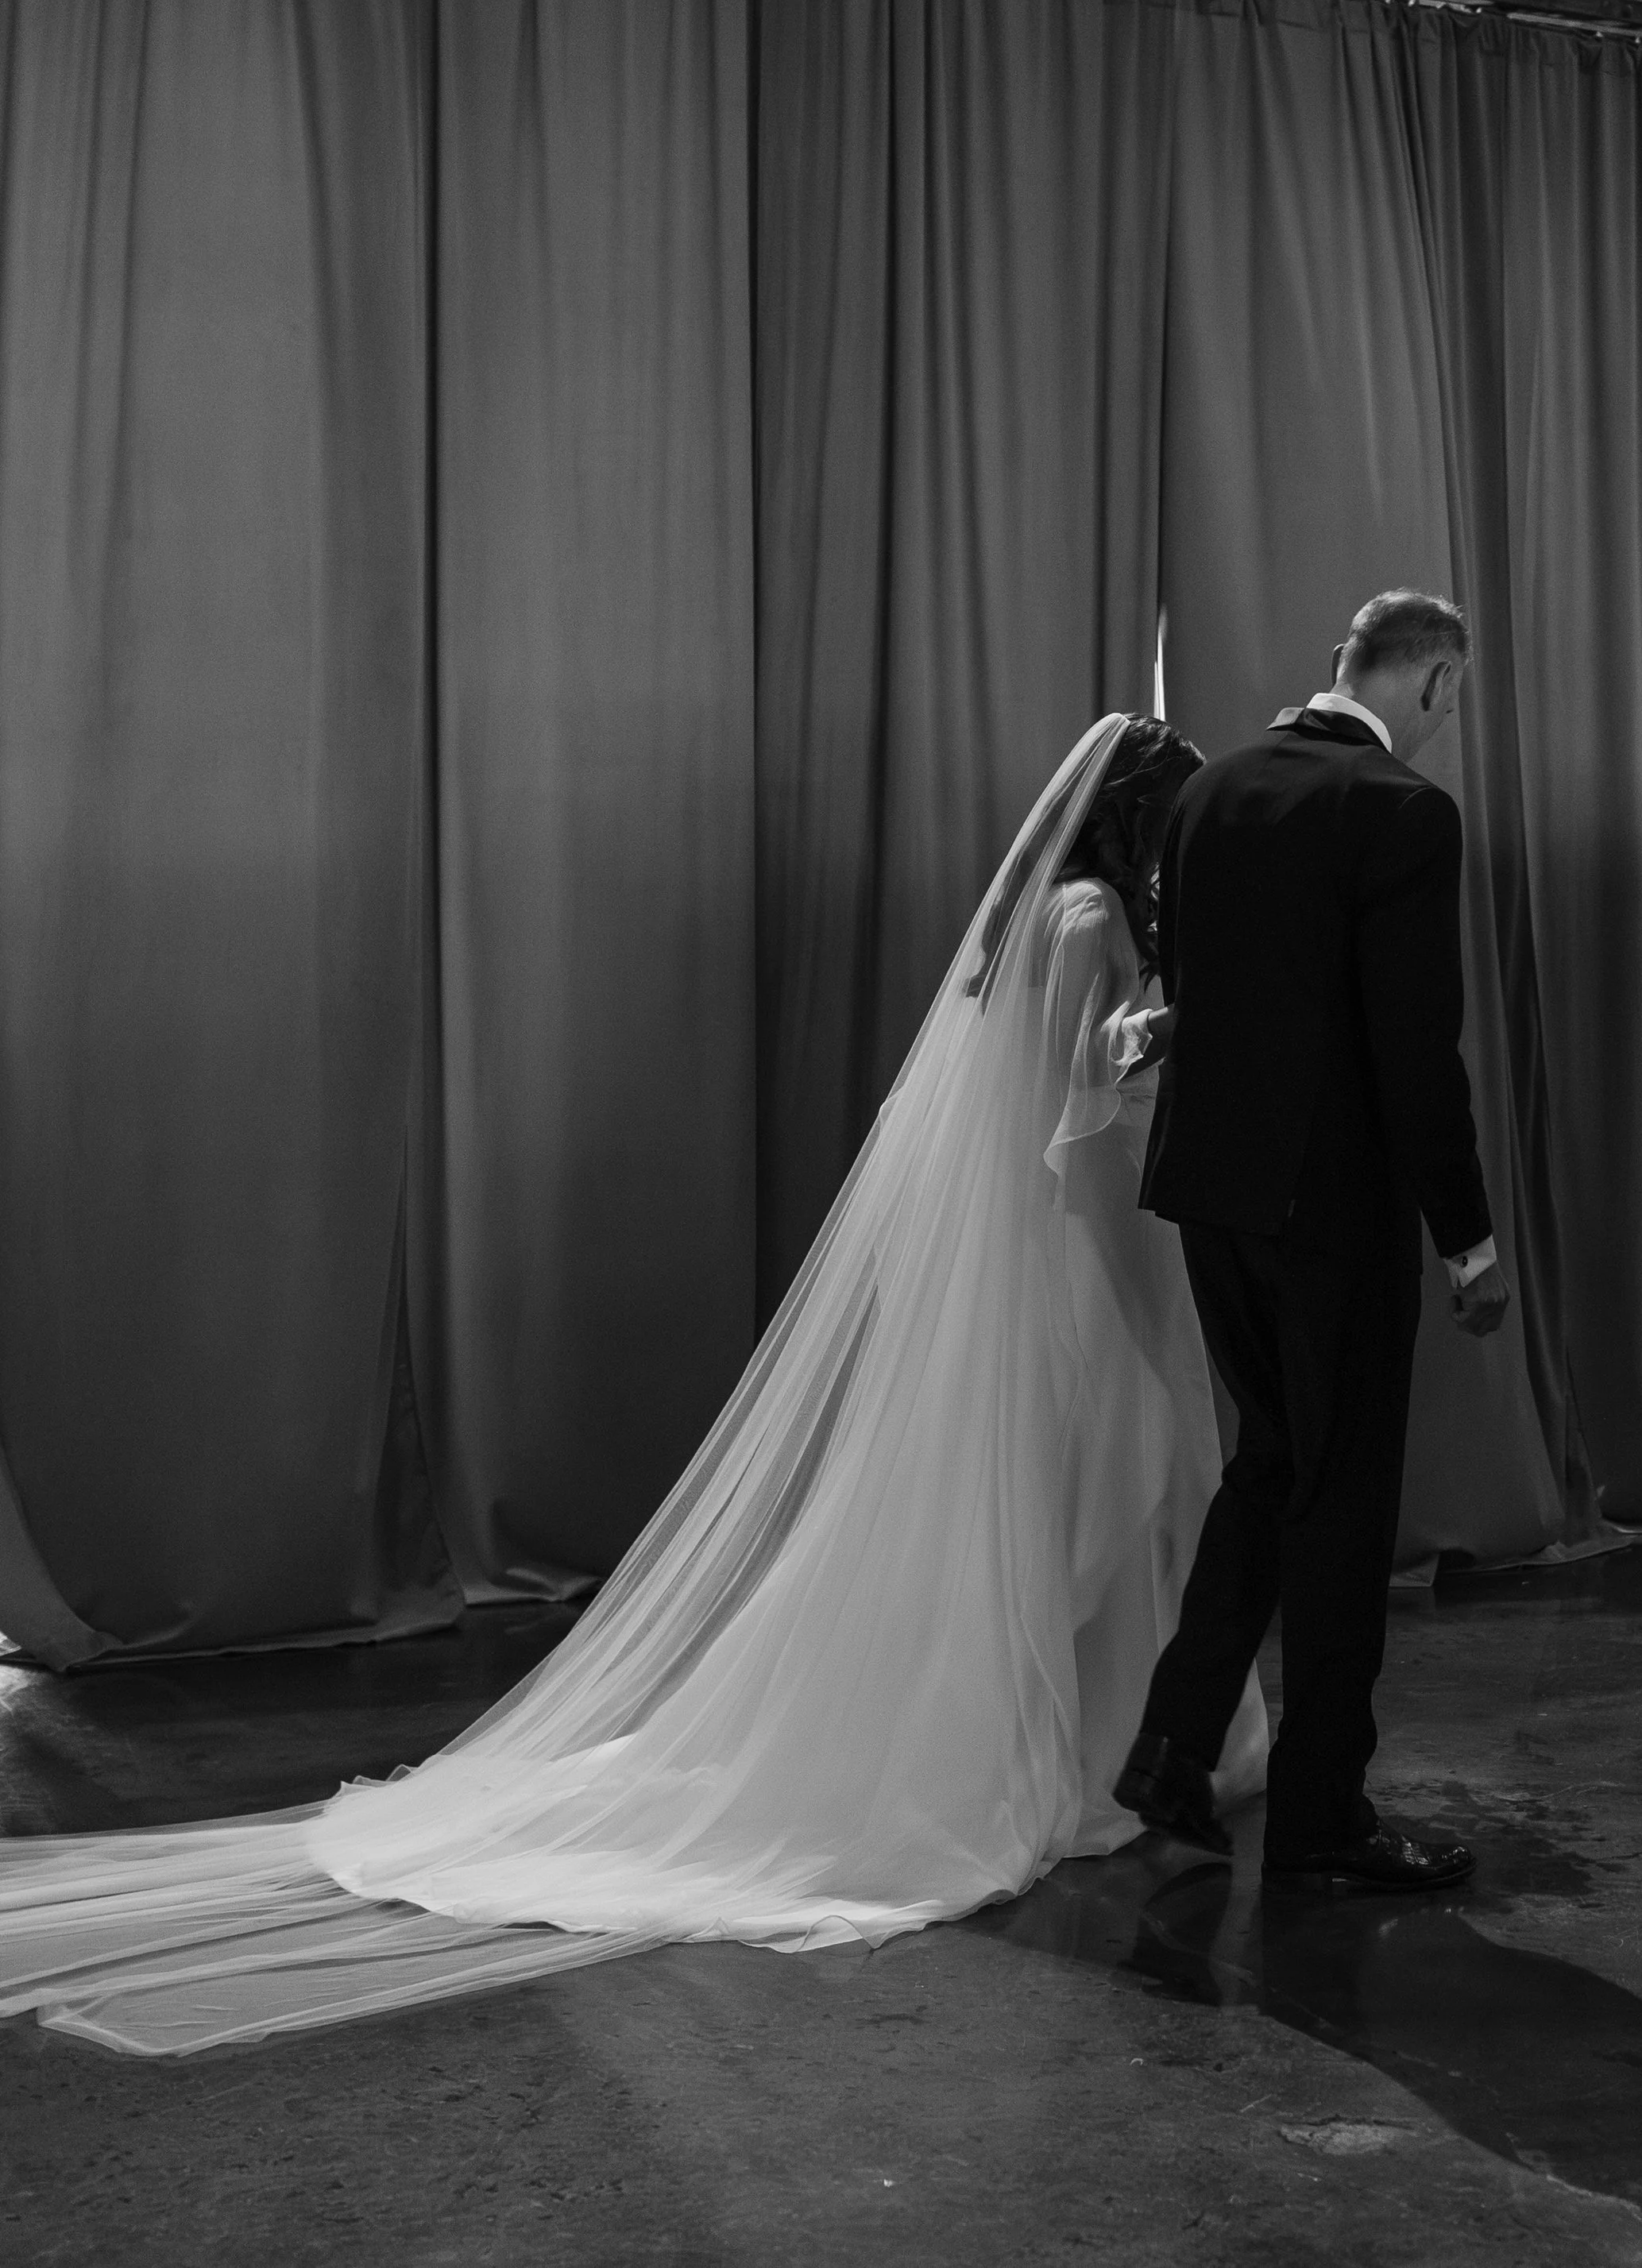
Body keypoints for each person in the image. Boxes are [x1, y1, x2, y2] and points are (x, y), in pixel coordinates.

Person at [0, 715, 1265, 2054]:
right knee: (1099, 1483)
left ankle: (1102, 1735)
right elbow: (1079, 1101)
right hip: (1072, 1241)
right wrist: (1184, 1023)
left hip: (1073, 1235)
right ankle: (1060, 1744)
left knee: (1101, 1485)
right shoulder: (1081, 918)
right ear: (1137, 819)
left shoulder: (1054, 909)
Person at [1114, 590, 1509, 1894]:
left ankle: (1174, 1747)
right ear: (1436, 684)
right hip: (1330, 1212)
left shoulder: (1211, 789)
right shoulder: (1402, 812)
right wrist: (1465, 1234)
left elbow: (1198, 996)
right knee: (1341, 1502)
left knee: (1272, 1465)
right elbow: (1413, 1043)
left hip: (1210, 1196)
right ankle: (1327, 1811)